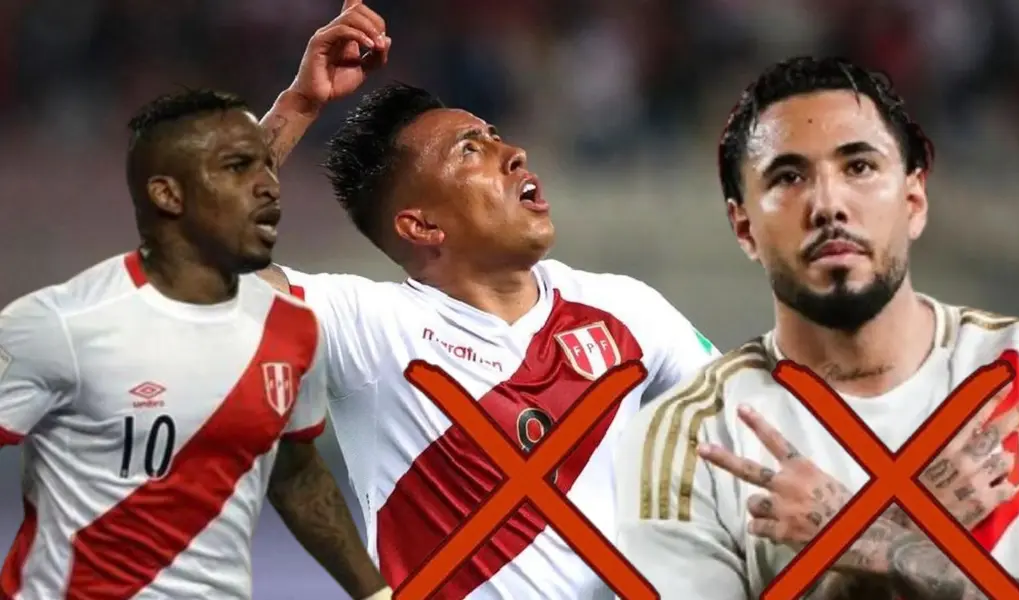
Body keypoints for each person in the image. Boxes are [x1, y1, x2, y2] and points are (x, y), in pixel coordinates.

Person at [613, 56, 1019, 600]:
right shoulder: (691, 435)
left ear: (914, 199)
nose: (828, 204)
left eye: (858, 167)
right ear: (744, 229)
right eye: (789, 177)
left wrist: (862, 538)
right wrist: (915, 522)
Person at [253, 3, 721, 598]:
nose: (514, 153)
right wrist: (298, 105)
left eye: (496, 137)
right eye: (470, 150)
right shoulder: (370, 329)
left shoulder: (626, 311)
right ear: (421, 226)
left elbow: (752, 430)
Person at [0, 89, 390, 600]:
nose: (270, 186)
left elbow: (296, 476)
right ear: (168, 195)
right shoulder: (60, 325)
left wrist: (376, 594)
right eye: (238, 167)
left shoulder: (292, 330)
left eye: (267, 167)